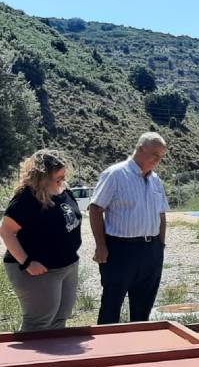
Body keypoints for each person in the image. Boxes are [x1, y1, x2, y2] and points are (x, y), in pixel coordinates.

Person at [90, 132, 169, 324]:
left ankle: (138, 349)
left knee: (143, 307)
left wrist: (160, 245)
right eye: (154, 155)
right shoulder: (115, 174)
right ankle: (107, 351)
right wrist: (101, 246)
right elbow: (95, 208)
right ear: (140, 149)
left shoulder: (155, 180)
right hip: (120, 250)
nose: (157, 160)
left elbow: (161, 214)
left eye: (161, 157)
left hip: (151, 250)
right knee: (112, 304)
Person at [0, 150, 82, 331]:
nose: (63, 181)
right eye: (58, 178)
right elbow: (6, 232)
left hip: (67, 265)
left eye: (64, 176)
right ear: (42, 178)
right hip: (38, 270)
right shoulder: (26, 198)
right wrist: (27, 262)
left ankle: (56, 359)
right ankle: (28, 360)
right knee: (38, 324)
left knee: (60, 319)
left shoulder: (64, 190)